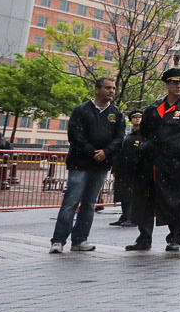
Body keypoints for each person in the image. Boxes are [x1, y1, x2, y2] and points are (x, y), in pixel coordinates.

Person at [126, 67, 180, 252]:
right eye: (175, 83)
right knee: (146, 200)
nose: (178, 86)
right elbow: (145, 132)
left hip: (177, 164)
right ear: (167, 84)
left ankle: (175, 238)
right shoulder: (154, 108)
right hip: (152, 162)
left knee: (176, 202)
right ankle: (144, 238)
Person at [49, 76, 124, 253]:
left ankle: (80, 240)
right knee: (71, 202)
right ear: (97, 89)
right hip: (80, 164)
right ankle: (58, 240)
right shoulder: (81, 110)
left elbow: (120, 138)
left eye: (113, 88)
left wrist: (106, 152)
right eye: (108, 88)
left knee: (90, 203)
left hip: (101, 165)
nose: (112, 91)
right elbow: (75, 136)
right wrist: (92, 152)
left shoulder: (116, 113)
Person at [109, 109, 144, 227]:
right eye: (135, 117)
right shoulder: (128, 135)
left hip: (136, 169)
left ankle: (132, 217)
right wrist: (115, 168)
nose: (137, 118)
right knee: (123, 193)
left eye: (140, 116)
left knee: (133, 194)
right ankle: (125, 215)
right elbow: (121, 152)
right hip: (124, 169)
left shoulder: (145, 135)